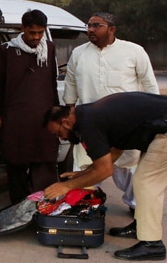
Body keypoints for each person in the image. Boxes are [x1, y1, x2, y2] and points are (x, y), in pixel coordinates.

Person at [43, 92, 167, 261]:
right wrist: (84, 173)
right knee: (145, 180)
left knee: (146, 181)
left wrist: (66, 186)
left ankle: (152, 244)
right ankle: (142, 227)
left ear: (66, 122)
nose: (61, 138)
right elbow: (114, 152)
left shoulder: (88, 124)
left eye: (58, 133)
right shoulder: (87, 115)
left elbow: (104, 171)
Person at [63, 12, 159, 228]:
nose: (90, 30)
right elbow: (70, 83)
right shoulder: (79, 53)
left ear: (112, 29)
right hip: (89, 124)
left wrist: (152, 117)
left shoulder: (133, 51)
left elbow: (149, 85)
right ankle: (85, 205)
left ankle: (137, 206)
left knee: (129, 166)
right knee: (86, 164)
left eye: (96, 25)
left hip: (125, 124)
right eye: (88, 26)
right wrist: (70, 109)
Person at [0, 9, 60, 204]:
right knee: (16, 162)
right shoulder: (7, 50)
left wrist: (56, 113)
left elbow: (51, 82)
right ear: (23, 29)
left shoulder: (50, 48)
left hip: (44, 116)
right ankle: (20, 208)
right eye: (32, 33)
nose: (36, 37)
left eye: (40, 33)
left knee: (45, 162)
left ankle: (44, 207)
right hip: (15, 117)